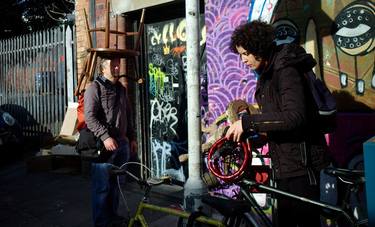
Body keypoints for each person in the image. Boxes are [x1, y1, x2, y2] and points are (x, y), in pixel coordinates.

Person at [225, 20, 330, 227]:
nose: (243, 59)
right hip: (284, 166)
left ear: (259, 48)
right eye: (240, 55)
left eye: (246, 53)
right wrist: (254, 135)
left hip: (302, 168)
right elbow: (277, 120)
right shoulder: (266, 75)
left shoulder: (285, 70)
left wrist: (248, 123)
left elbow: (294, 117)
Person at [84, 57, 137, 227]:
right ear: (103, 69)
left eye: (118, 64)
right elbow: (89, 118)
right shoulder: (94, 88)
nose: (117, 67)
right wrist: (105, 137)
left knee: (116, 186)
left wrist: (132, 137)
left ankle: (112, 218)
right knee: (102, 188)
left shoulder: (121, 88)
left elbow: (128, 115)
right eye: (113, 65)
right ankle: (101, 222)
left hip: (122, 144)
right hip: (104, 147)